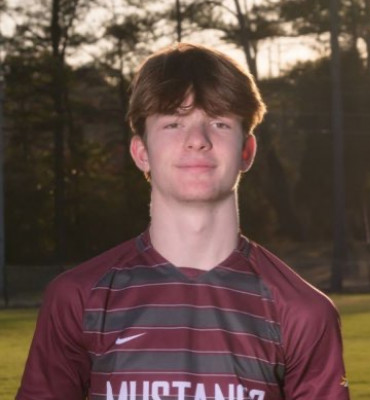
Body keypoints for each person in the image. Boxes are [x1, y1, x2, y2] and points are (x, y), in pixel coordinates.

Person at [16, 43, 350, 400]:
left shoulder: (302, 311)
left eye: (219, 123)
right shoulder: (77, 298)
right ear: (141, 152)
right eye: (173, 123)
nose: (197, 141)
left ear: (247, 151)